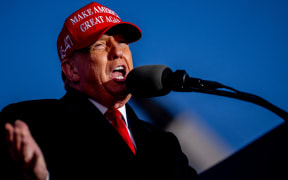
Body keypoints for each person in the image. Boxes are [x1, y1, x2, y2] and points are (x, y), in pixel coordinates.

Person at [0, 2, 198, 180]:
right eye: (101, 45)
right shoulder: (31, 122)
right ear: (72, 70)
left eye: (122, 42)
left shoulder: (164, 145)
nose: (118, 52)